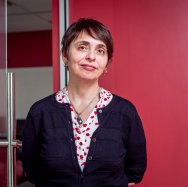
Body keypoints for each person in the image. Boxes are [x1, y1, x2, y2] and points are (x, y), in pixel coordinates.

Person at [22, 18, 147, 187]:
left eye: (100, 50)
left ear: (107, 62)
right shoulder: (40, 112)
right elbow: (32, 171)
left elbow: (135, 171)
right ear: (65, 55)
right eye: (82, 47)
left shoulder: (125, 112)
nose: (91, 56)